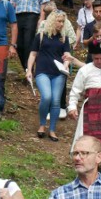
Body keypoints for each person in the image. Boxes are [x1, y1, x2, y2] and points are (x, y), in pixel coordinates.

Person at [26, 10, 71, 142]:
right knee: (47, 96)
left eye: (63, 21)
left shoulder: (64, 38)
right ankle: (42, 124)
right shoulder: (41, 36)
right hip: (42, 71)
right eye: (59, 21)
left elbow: (67, 55)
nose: (61, 24)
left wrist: (66, 64)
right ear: (52, 21)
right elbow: (33, 54)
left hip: (59, 73)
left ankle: (52, 129)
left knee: (56, 101)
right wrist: (29, 70)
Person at [10, 0, 50, 78]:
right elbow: (12, 3)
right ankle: (27, 68)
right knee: (19, 45)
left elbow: (44, 2)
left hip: (31, 17)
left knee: (28, 43)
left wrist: (41, 18)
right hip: (18, 17)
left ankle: (31, 70)